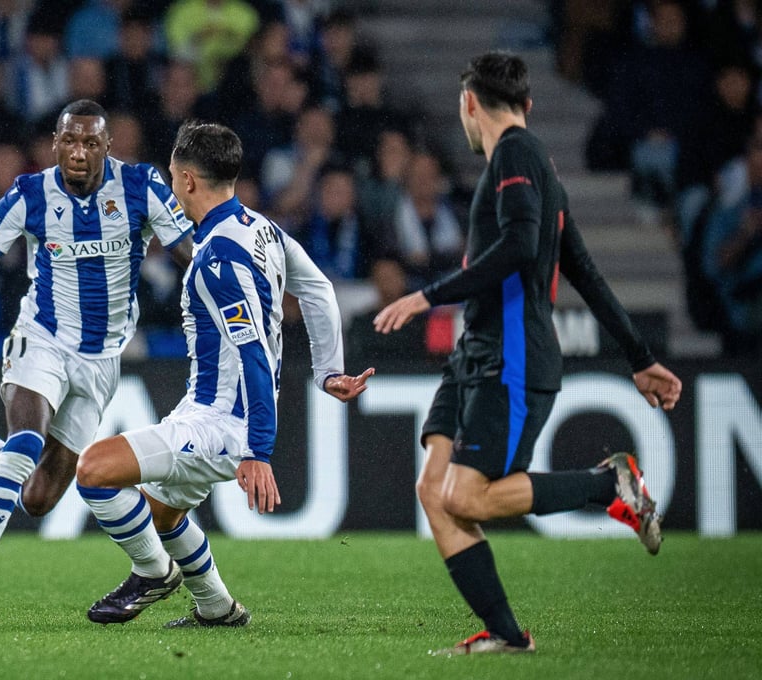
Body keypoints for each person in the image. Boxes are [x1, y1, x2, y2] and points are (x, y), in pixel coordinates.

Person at [372, 52, 683, 655]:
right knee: (434, 491)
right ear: (528, 103)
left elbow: (518, 247)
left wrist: (427, 296)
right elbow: (583, 270)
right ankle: (507, 635)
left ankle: (606, 483)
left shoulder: (516, 155)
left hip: (510, 359)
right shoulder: (534, 167)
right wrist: (639, 355)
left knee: (465, 497)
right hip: (476, 354)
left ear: (469, 103)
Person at [75, 121, 373, 627]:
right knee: (162, 515)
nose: (171, 187)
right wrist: (328, 371)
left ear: (189, 180)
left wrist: (258, 450)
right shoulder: (262, 230)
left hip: (221, 423)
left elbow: (252, 349)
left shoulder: (218, 258)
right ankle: (217, 608)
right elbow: (319, 289)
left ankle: (153, 573)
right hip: (207, 409)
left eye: (173, 177)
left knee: (93, 470)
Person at [0, 99, 194, 610]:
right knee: (24, 444)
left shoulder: (141, 187)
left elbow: (191, 257)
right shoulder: (30, 194)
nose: (78, 152)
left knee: (37, 498)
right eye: (69, 141)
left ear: (108, 147)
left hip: (103, 359)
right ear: (55, 143)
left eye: (90, 143)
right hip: (41, 339)